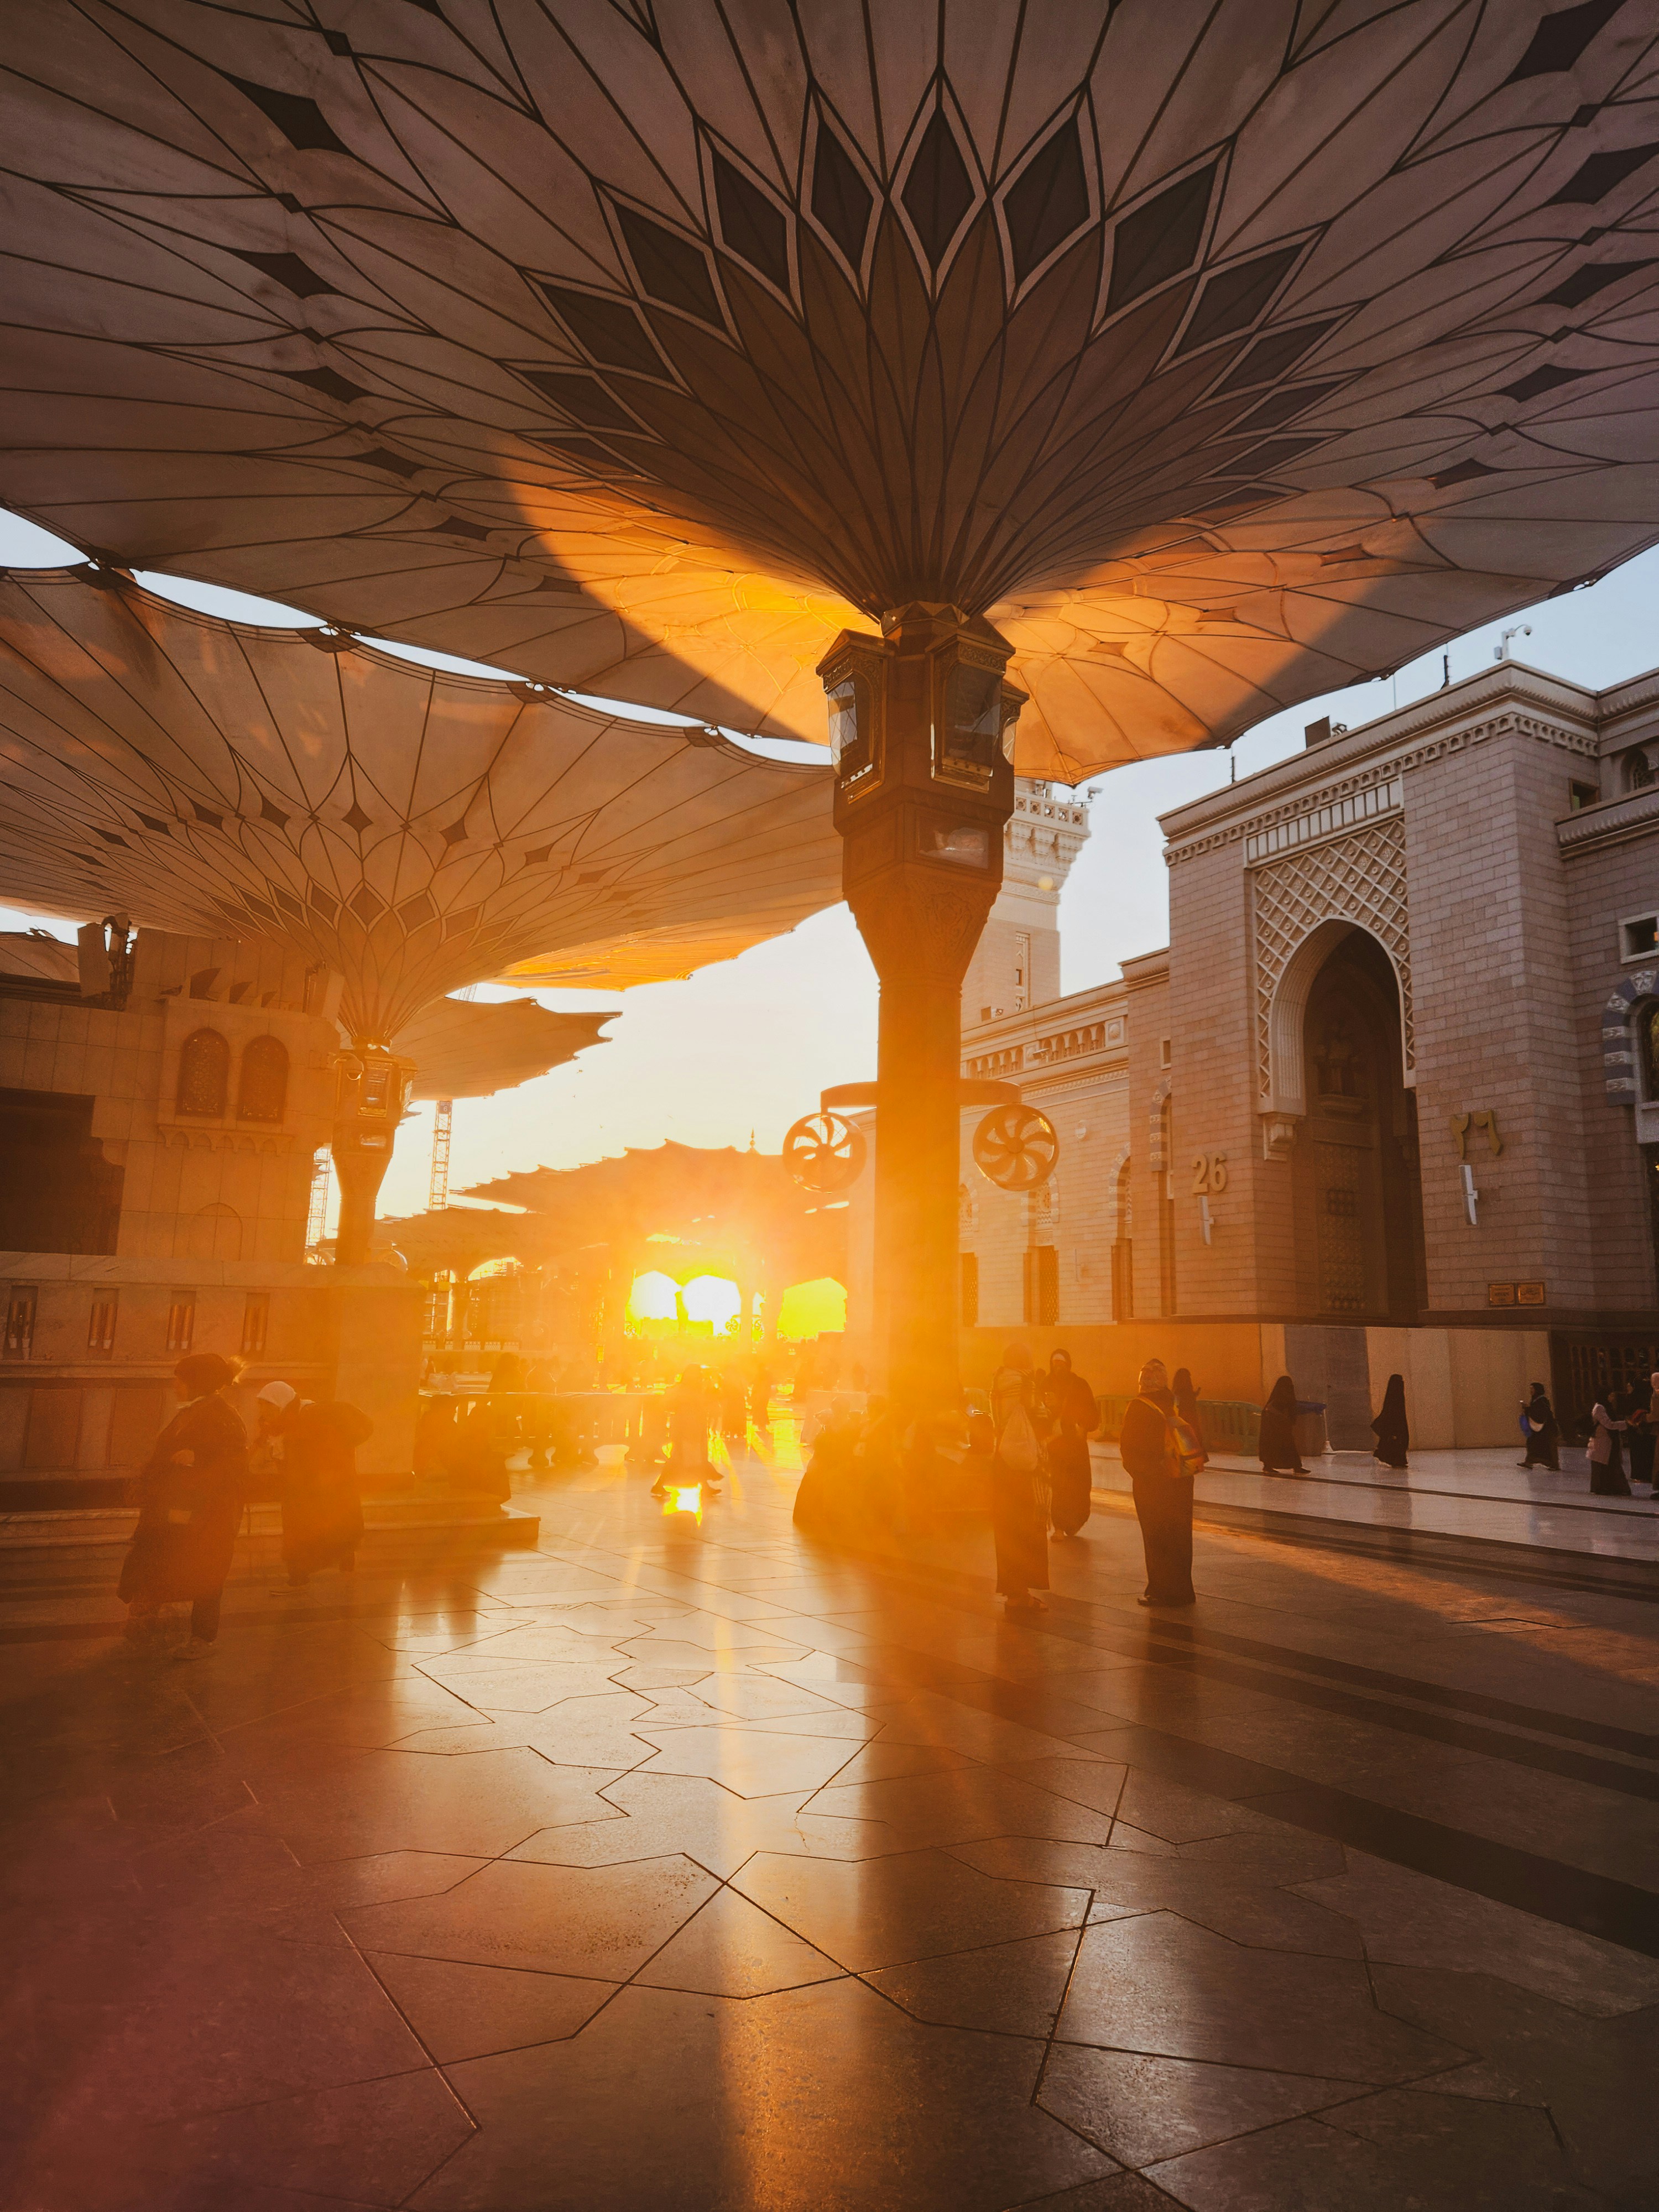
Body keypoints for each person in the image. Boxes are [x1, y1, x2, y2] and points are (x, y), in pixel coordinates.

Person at [119, 1352, 248, 1660]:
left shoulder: (221, 1415)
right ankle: (148, 1616)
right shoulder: (195, 1410)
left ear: (197, 1383)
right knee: (162, 1559)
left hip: (205, 1514)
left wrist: (198, 1458)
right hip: (176, 1510)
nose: (175, 1385)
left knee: (206, 1572)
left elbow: (235, 1463)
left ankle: (203, 1638)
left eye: (181, 1379)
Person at [256, 1382, 371, 1586]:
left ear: (281, 1404)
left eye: (268, 1406)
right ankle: (312, 1570)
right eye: (262, 1406)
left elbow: (328, 1452)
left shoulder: (309, 1418)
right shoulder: (282, 1424)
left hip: (320, 1488)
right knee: (308, 1531)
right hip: (301, 1489)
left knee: (310, 1531)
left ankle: (300, 1576)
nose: (264, 1412)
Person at [1118, 1357, 1196, 1606]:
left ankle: (1161, 1591)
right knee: (1180, 1536)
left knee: (1156, 1537)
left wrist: (1142, 1473)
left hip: (1152, 1483)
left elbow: (1128, 1450)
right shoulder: (1175, 1402)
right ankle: (1183, 1590)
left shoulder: (1138, 1407)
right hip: (1181, 1480)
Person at [989, 1345, 1049, 1613]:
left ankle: (1013, 1592)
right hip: (1024, 1470)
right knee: (1026, 1530)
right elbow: (1040, 1419)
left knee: (1007, 1531)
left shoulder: (997, 1382)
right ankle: (1021, 1594)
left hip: (1002, 1462)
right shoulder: (1026, 1382)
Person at [1042, 1349, 1099, 1538]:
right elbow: (1039, 1413)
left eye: (1062, 1364)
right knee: (1059, 1486)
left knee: (1079, 1487)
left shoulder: (1079, 1385)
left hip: (1076, 1446)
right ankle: (1058, 1527)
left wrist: (1083, 1426)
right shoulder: (1045, 1384)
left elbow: (1091, 1412)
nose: (1058, 1368)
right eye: (1055, 1364)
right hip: (1056, 1446)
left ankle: (1074, 1523)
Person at [1258, 1374, 1307, 1475]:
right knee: (1289, 1446)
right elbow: (1291, 1410)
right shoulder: (1285, 1398)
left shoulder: (1274, 1399)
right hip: (1282, 1428)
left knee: (1271, 1446)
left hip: (1271, 1429)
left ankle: (1268, 1466)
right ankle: (1297, 1467)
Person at [1587, 1388, 1632, 1497]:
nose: (1612, 1398)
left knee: (1609, 1464)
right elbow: (1609, 1424)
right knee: (1604, 1465)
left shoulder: (1606, 1407)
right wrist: (1626, 1424)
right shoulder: (1600, 1408)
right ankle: (1603, 1488)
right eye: (1610, 1396)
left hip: (1607, 1441)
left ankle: (1611, 1487)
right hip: (1602, 1440)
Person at [1517, 1381, 1560, 1471]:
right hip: (1541, 1429)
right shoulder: (1536, 1400)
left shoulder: (1542, 1400)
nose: (1531, 1391)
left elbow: (1541, 1413)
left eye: (1532, 1389)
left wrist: (1529, 1408)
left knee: (1550, 1446)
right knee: (1533, 1443)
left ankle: (1555, 1465)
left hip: (1548, 1428)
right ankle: (1529, 1462)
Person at [1371, 1373, 1409, 1469]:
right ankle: (1397, 1459)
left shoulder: (1393, 1399)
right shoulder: (1396, 1400)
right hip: (1396, 1429)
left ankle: (1397, 1459)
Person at [1627, 1379, 1656, 1491]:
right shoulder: (1645, 1397)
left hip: (1639, 1431)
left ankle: (1641, 1475)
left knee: (1640, 1454)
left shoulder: (1635, 1398)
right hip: (1645, 1431)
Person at [1171, 1367, 1203, 1444]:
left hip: (1181, 1415)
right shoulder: (1187, 1389)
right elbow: (1190, 1400)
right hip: (1190, 1415)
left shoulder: (1176, 1391)